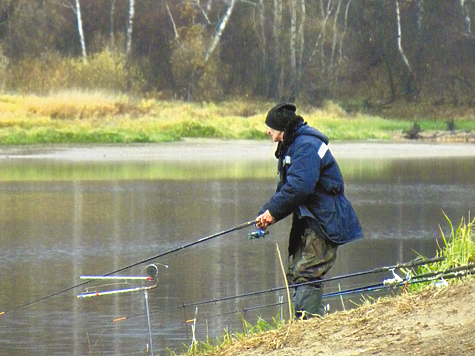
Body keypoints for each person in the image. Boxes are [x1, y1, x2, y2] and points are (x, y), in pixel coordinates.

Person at [256, 102, 363, 318]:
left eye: (271, 126)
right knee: (296, 270)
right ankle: (306, 321)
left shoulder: (305, 146)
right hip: (310, 219)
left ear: (282, 128)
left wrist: (274, 213)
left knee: (307, 272)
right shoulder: (293, 145)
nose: (267, 131)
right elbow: (287, 187)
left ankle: (308, 327)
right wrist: (267, 213)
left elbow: (300, 187)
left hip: (325, 218)